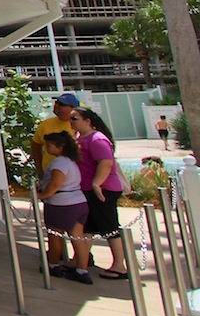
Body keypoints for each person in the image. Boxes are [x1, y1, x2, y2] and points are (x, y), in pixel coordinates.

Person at [70, 107, 128, 280]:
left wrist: (97, 183)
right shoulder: (80, 138)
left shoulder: (97, 139)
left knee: (109, 226)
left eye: (75, 118)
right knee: (88, 226)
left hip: (103, 190)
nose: (71, 122)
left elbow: (106, 163)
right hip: (87, 190)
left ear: (87, 121)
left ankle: (119, 265)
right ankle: (80, 259)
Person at [37, 131, 92, 284]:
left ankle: (53, 265)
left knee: (55, 235)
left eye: (49, 146)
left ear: (59, 148)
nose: (46, 148)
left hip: (61, 203)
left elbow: (56, 183)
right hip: (78, 201)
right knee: (77, 237)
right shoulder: (71, 161)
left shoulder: (59, 163)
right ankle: (82, 270)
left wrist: (42, 195)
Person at [31, 92, 79, 264]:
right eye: (56, 103)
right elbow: (35, 145)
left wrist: (41, 195)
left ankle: (79, 259)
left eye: (62, 104)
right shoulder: (46, 124)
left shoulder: (77, 125)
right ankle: (57, 257)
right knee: (55, 227)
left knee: (74, 228)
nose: (57, 106)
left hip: (72, 183)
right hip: (50, 176)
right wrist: (40, 169)